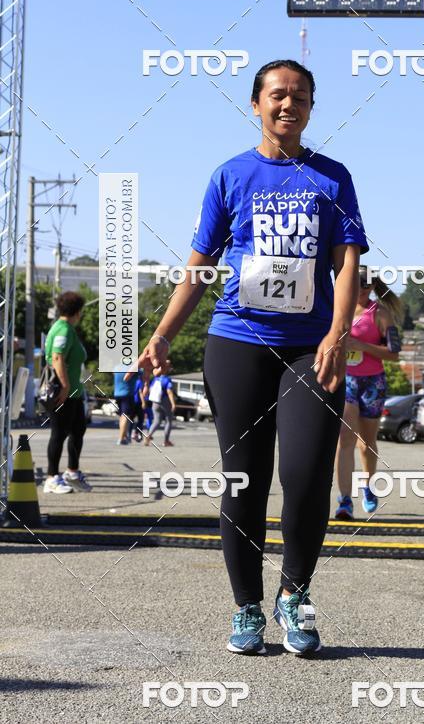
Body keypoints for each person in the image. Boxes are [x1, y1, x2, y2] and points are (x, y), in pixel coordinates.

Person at [131, 59, 367, 657]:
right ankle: (246, 608)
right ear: (256, 104)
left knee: (306, 475)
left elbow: (347, 264)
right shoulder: (229, 176)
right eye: (278, 95)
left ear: (312, 108)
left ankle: (294, 596)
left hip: (309, 348)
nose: (290, 105)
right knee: (244, 477)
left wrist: (337, 333)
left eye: (301, 97)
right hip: (237, 341)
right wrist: (160, 335)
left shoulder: (333, 177)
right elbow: (198, 266)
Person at [335, 265, 403, 520]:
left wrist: (361, 345)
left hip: (372, 383)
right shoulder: (336, 307)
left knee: (367, 444)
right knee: (345, 439)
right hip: (346, 380)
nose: (360, 289)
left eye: (365, 285)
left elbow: (394, 354)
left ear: (373, 287)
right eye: (355, 283)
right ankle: (344, 500)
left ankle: (368, 485)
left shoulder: (380, 314)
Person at [43, 291, 92, 494]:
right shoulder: (63, 330)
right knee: (59, 434)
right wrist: (64, 386)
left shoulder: (68, 329)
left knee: (78, 430)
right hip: (64, 393)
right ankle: (51, 478)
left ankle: (72, 472)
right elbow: (57, 357)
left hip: (74, 394)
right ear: (77, 312)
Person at [145, 361, 176, 447]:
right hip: (165, 401)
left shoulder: (155, 379)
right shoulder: (167, 379)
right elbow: (169, 392)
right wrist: (173, 404)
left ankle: (148, 436)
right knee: (168, 420)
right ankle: (166, 441)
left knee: (156, 421)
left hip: (155, 401)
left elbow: (151, 389)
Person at [113, 371, 137, 445]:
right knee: (125, 416)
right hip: (127, 394)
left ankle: (123, 436)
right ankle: (121, 438)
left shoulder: (117, 367)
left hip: (117, 393)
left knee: (122, 416)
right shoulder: (133, 367)